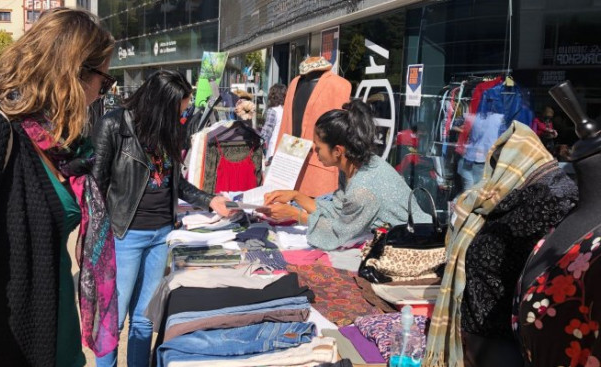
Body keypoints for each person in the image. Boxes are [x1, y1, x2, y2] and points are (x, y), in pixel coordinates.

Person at [0, 8, 114, 367]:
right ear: (75, 74)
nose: (100, 95)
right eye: (103, 82)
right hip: (9, 353)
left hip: (60, 349)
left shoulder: (53, 145)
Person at [92, 70, 233, 367]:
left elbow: (176, 183)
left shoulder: (169, 129)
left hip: (162, 235)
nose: (181, 118)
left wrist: (210, 201)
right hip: (125, 234)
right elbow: (96, 185)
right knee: (112, 323)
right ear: (160, 105)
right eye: (178, 111)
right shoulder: (114, 125)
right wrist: (99, 238)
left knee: (144, 320)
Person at [262, 100, 430, 250]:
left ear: (337, 151)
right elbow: (338, 210)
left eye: (318, 147)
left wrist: (294, 214)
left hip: (415, 247)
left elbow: (338, 232)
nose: (315, 152)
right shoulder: (355, 165)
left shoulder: (362, 189)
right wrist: (296, 196)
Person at [259, 83, 287, 163]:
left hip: (273, 150)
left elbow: (266, 133)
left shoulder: (273, 111)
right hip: (284, 150)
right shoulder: (287, 110)